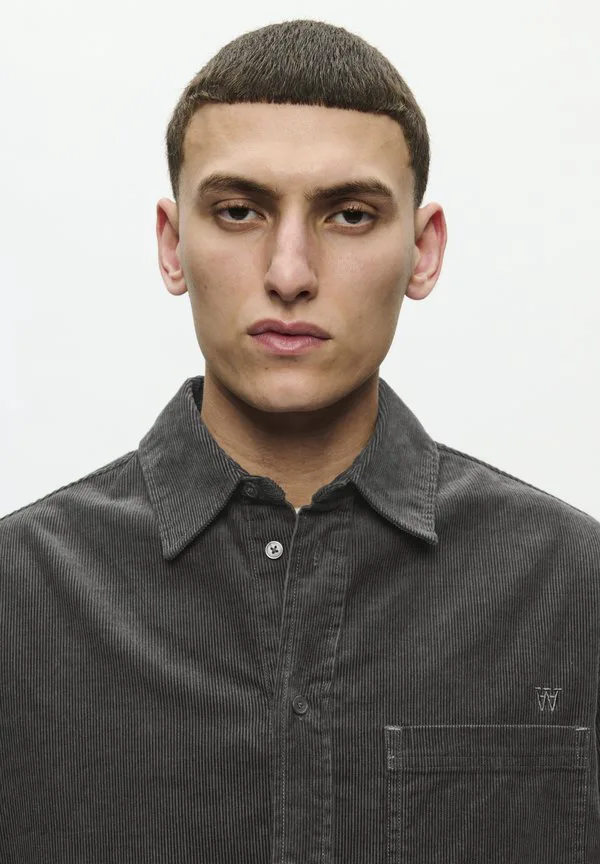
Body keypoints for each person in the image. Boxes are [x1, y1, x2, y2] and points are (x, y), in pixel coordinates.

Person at [1, 17, 599, 864]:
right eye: (238, 211)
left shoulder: (573, 590)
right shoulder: (19, 598)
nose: (289, 273)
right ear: (172, 246)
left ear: (423, 252)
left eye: (349, 214)